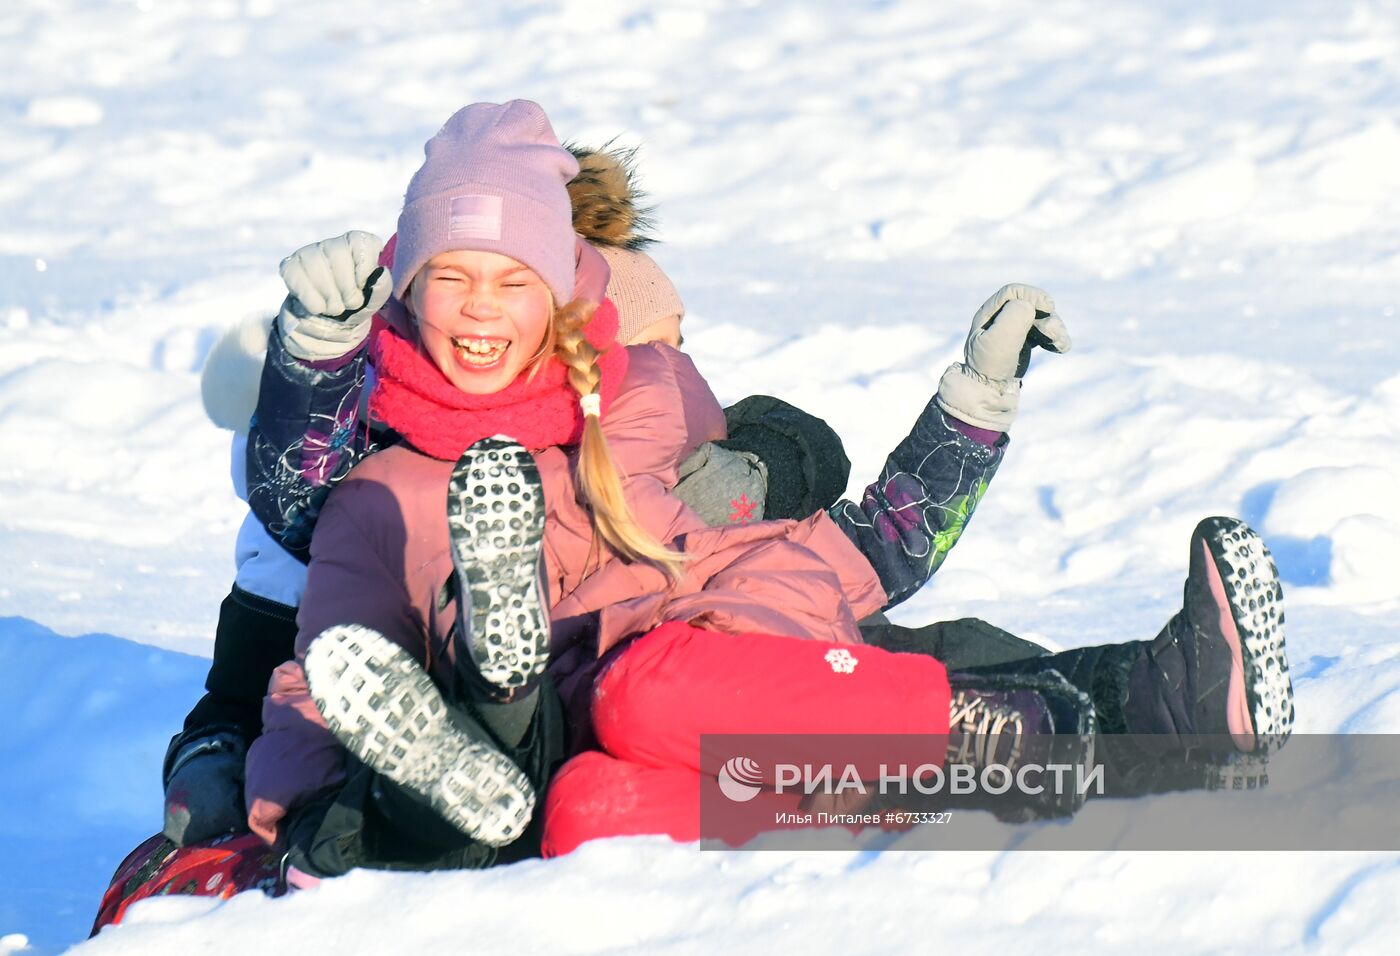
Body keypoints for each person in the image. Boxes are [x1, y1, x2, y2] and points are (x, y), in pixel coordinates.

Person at [238, 100, 1295, 877]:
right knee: (586, 813)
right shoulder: (381, 490)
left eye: (511, 278)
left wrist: (972, 406)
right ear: (408, 287)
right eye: (451, 276)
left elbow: (837, 534)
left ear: (557, 286)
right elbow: (329, 666)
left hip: (731, 666)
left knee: (643, 688)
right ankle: (979, 789)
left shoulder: (642, 403)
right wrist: (300, 813)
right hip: (597, 736)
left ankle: (1063, 727)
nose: (479, 309)